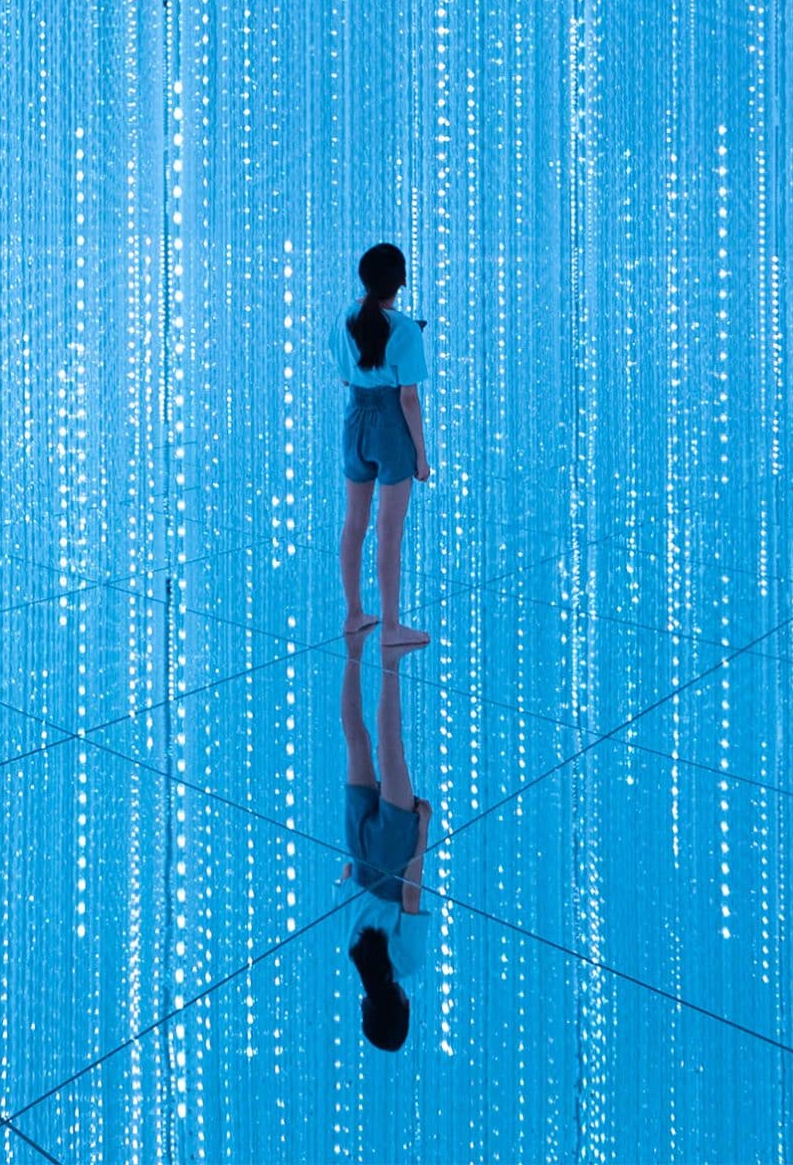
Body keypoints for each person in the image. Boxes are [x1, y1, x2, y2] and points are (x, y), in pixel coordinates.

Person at [331, 241, 430, 649]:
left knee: (354, 523)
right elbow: (408, 398)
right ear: (401, 282)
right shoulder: (405, 329)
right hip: (390, 428)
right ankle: (391, 625)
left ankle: (354, 613)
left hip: (355, 421)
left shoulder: (346, 316)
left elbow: (344, 376)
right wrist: (421, 458)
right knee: (390, 533)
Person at [337, 629, 430, 1051]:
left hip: (393, 854)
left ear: (403, 1008)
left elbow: (410, 896)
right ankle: (353, 649)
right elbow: (349, 886)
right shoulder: (354, 949)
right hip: (359, 851)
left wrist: (422, 827)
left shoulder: (406, 964)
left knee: (392, 747)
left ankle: (390, 660)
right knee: (357, 740)